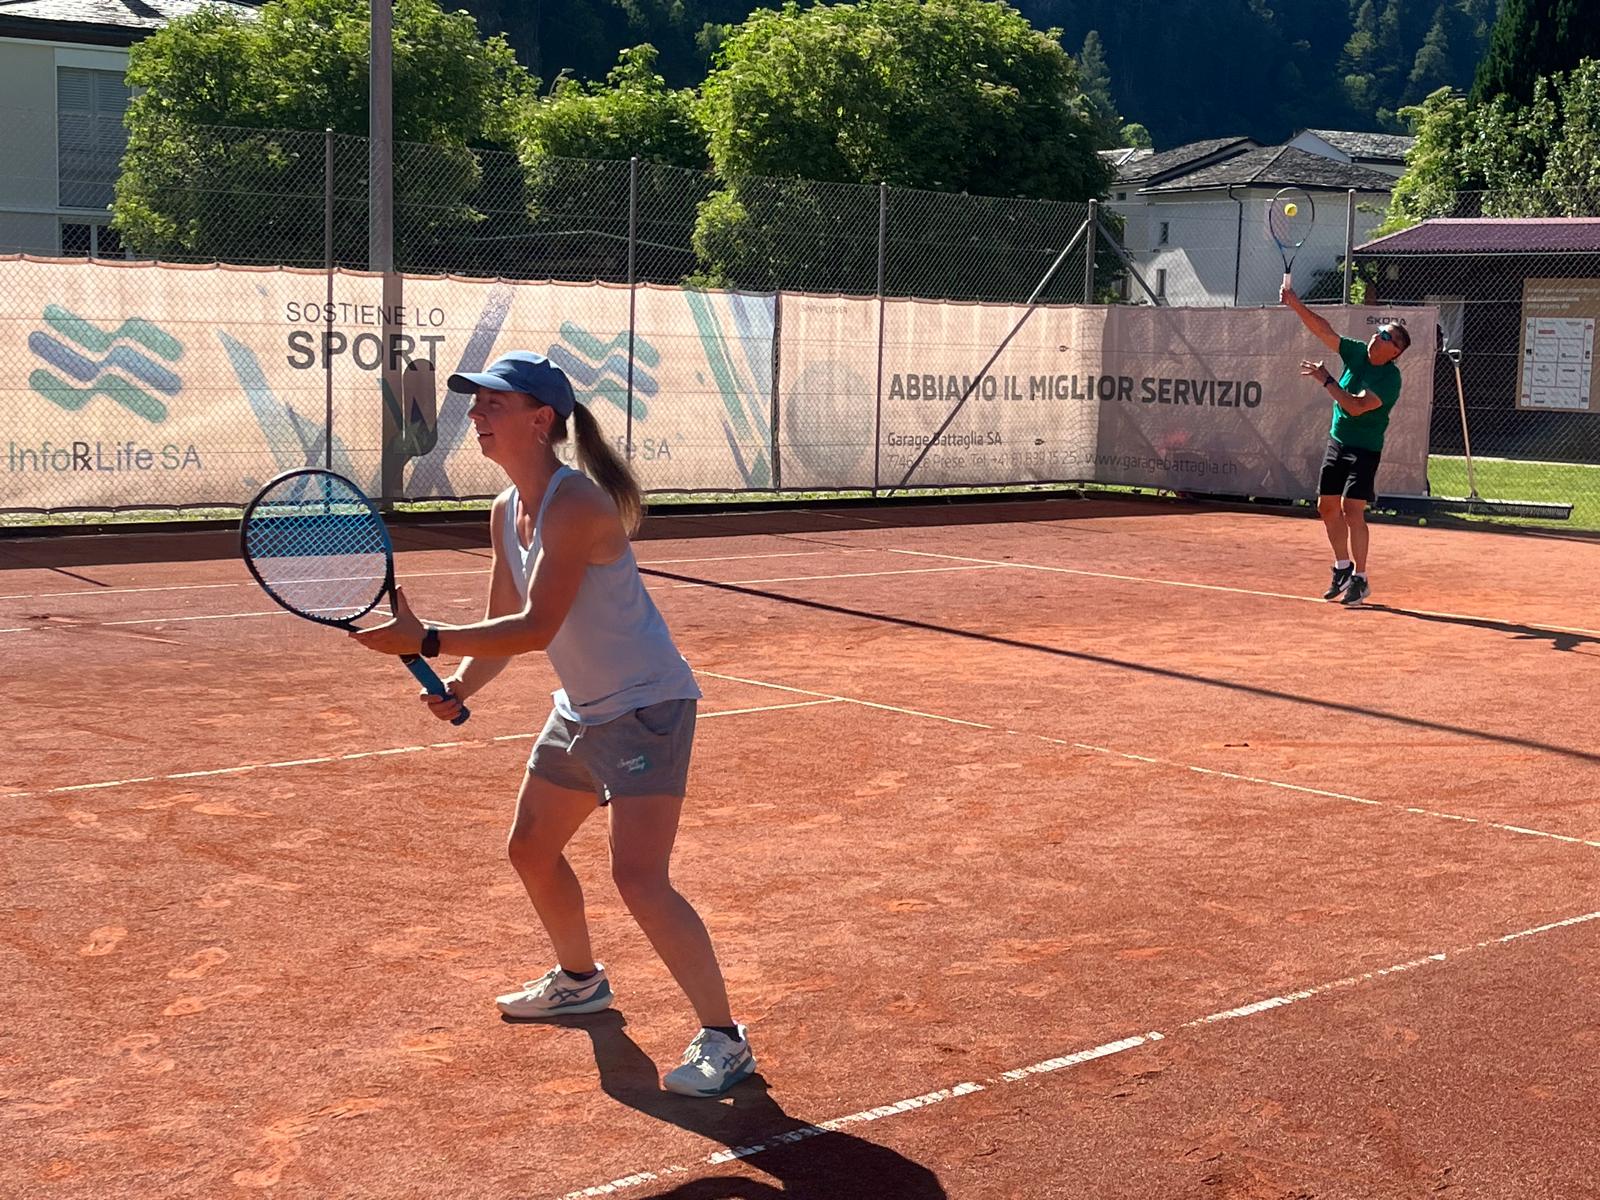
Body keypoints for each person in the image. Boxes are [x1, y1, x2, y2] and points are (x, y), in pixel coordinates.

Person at [348, 350, 754, 1098]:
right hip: (582, 709)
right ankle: (579, 981)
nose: (476, 414)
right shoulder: (506, 509)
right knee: (531, 849)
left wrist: (426, 639)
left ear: (541, 421)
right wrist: (459, 684)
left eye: (493, 404)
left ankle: (724, 1039)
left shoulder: (577, 505)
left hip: (645, 708)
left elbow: (536, 627)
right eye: (475, 402)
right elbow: (505, 623)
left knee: (639, 878)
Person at [1281, 284, 1410, 605]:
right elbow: (1323, 331)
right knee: (1326, 507)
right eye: (1378, 331)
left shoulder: (1390, 380)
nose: (1377, 335)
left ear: (1395, 351)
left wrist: (1327, 380)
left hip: (1365, 448)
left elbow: (1354, 406)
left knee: (1353, 510)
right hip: (1338, 441)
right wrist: (1295, 303)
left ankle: (1361, 579)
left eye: (1385, 335)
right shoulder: (1356, 352)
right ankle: (1342, 568)